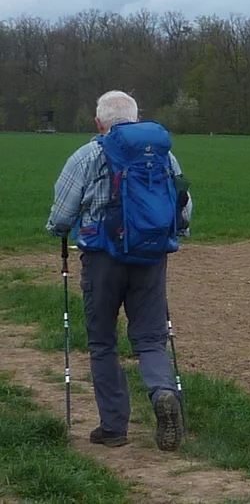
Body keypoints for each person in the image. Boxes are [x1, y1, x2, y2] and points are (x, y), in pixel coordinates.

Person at [44, 90, 189, 452]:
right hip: (151, 258)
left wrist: (59, 232)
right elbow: (182, 215)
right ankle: (162, 396)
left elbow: (62, 216)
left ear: (99, 123)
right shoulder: (164, 158)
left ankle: (114, 427)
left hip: (102, 261)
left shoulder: (88, 155)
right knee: (151, 339)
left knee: (102, 342)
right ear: (138, 120)